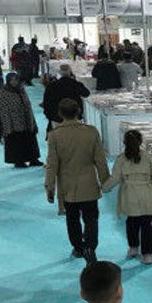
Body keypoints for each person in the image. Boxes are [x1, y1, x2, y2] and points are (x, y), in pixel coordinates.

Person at [45, 98, 110, 263]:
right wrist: (105, 181)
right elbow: (100, 161)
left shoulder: (54, 135)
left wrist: (50, 187)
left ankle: (78, 247)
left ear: (60, 114)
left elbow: (52, 164)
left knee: (72, 219)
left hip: (67, 187)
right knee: (91, 218)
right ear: (79, 112)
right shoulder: (91, 132)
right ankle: (90, 247)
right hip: (89, 184)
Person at [102, 130, 152, 265]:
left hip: (129, 195)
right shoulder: (148, 157)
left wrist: (104, 188)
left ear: (124, 142)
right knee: (148, 225)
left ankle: (133, 248)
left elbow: (115, 178)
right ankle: (147, 255)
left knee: (132, 222)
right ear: (141, 142)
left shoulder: (121, 159)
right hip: (147, 194)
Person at [0, 73, 42, 168]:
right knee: (16, 141)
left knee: (30, 139)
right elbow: (0, 109)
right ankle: (18, 160)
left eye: (15, 80)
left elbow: (27, 104)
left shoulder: (21, 90)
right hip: (12, 122)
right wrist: (6, 122)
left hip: (26, 119)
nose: (14, 82)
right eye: (11, 80)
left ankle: (33, 159)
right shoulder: (4, 92)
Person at [42, 64, 91, 132]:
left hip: (56, 118)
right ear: (70, 72)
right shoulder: (75, 84)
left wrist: (50, 116)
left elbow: (46, 103)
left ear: (59, 73)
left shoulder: (51, 86)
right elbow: (86, 93)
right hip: (74, 118)